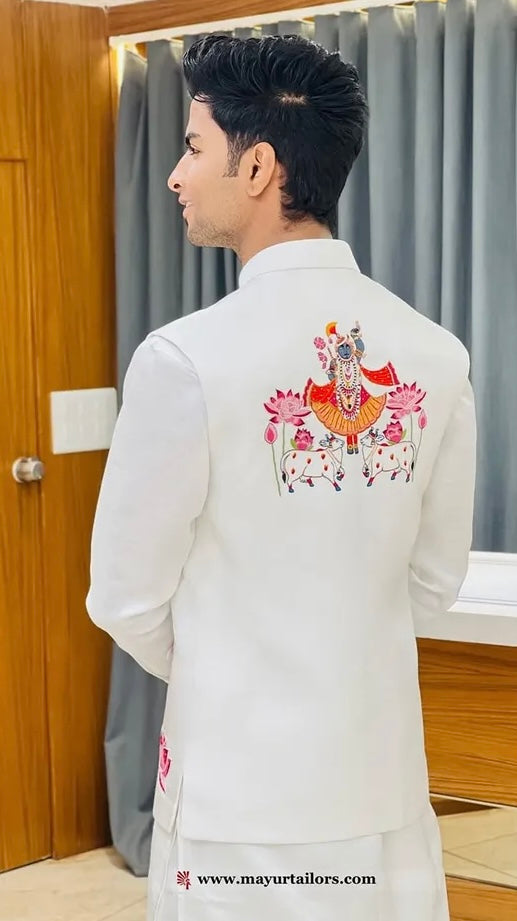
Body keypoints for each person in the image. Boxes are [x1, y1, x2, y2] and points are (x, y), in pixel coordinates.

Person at [86, 33, 476, 921]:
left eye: (193, 149)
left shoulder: (183, 358)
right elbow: (432, 580)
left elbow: (124, 594)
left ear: (257, 165)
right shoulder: (436, 355)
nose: (178, 176)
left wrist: (237, 672)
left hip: (235, 796)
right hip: (375, 778)